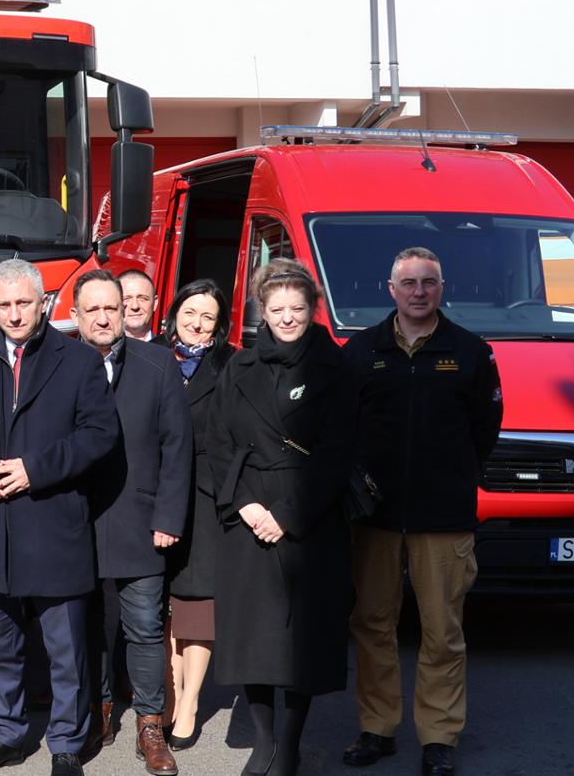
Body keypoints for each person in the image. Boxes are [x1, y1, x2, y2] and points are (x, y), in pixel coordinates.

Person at [0, 259, 119, 776]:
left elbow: (99, 435)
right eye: (4, 305)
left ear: (44, 303)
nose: (15, 314)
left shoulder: (78, 360)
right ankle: (7, 734)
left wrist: (33, 470)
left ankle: (66, 743)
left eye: (24, 303)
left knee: (65, 649)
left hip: (53, 521)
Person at [341, 247, 502, 776]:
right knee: (372, 625)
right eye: (408, 283)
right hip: (376, 517)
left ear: (441, 288)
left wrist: (451, 477)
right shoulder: (361, 351)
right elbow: (343, 428)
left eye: (428, 282)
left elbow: (485, 431)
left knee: (442, 632)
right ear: (390, 290)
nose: (418, 291)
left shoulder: (471, 352)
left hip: (444, 517)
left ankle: (439, 736)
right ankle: (377, 728)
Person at [209, 258, 356, 776]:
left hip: (309, 515)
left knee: (301, 638)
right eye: (277, 309)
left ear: (313, 308)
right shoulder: (239, 367)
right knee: (254, 634)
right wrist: (246, 504)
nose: (288, 317)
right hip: (248, 512)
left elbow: (340, 451)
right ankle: (264, 740)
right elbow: (219, 441)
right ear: (262, 311)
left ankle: (289, 744)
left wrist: (288, 514)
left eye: (297, 308)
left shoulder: (336, 368)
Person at [72, 269, 190, 776]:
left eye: (111, 308)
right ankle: (98, 713)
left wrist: (168, 516)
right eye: (93, 309)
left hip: (140, 521)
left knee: (143, 628)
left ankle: (149, 724)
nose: (103, 318)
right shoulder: (60, 363)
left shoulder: (158, 364)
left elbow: (177, 446)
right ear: (75, 315)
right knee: (87, 627)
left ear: (125, 312)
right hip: (75, 522)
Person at [155, 279, 234, 751]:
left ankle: (189, 703)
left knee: (196, 604)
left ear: (219, 324)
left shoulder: (232, 364)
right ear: (174, 315)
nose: (197, 323)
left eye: (208, 316)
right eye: (189, 312)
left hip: (205, 497)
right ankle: (170, 692)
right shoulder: (151, 356)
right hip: (153, 494)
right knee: (161, 603)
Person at [119, 270, 158, 342]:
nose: (135, 306)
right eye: (126, 299)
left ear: (155, 303)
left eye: (142, 299)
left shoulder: (167, 348)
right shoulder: (103, 348)